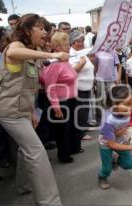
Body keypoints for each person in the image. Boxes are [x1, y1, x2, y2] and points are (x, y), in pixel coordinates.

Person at [0, 13, 67, 206]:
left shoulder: (33, 51)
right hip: (8, 110)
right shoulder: (16, 46)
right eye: (40, 28)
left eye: (45, 28)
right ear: (27, 30)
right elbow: (12, 53)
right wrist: (51, 54)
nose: (44, 32)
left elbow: (30, 86)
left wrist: (31, 112)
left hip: (23, 110)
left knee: (25, 149)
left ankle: (23, 186)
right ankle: (50, 202)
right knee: (36, 151)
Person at [42, 31, 83, 163]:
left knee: (72, 126)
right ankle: (64, 155)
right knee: (63, 130)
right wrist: (56, 108)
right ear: (57, 47)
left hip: (71, 99)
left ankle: (73, 148)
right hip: (61, 102)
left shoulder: (64, 61)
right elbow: (50, 88)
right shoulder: (53, 65)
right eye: (65, 44)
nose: (68, 45)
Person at [97, 85, 132, 189]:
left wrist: (124, 129)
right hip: (107, 144)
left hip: (121, 139)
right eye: (127, 104)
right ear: (114, 104)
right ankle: (102, 176)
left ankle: (115, 159)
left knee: (129, 164)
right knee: (107, 168)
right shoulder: (108, 120)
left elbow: (126, 123)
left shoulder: (125, 110)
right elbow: (112, 145)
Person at [69, 30, 95, 140]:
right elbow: (72, 71)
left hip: (86, 87)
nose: (81, 43)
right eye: (78, 42)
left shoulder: (82, 52)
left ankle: (83, 128)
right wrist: (81, 63)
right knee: (80, 110)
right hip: (78, 88)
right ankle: (80, 133)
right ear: (72, 42)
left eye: (82, 41)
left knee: (84, 109)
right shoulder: (71, 54)